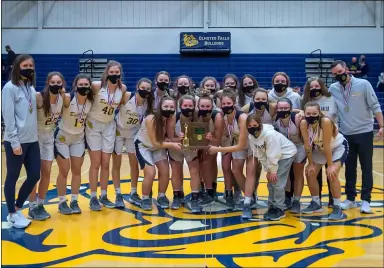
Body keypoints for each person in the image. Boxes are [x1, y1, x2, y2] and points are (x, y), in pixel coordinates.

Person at [329, 60, 383, 214]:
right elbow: (333, 112)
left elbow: (375, 106)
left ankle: (366, 200)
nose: (338, 76)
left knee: (366, 167)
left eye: (340, 72)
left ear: (346, 69)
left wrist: (382, 126)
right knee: (349, 168)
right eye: (334, 74)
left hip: (365, 132)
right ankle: (351, 198)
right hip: (345, 134)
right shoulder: (334, 88)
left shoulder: (363, 84)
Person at [2, 54, 40, 228]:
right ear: (17, 67)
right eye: (25, 65)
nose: (29, 68)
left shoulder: (29, 87)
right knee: (12, 177)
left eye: (31, 65)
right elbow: (8, 117)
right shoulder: (9, 88)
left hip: (32, 141)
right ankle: (11, 213)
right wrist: (14, 142)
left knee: (34, 175)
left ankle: (17, 207)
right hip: (15, 141)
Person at [86, 61, 126, 211]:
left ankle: (104, 195)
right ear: (106, 73)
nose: (114, 74)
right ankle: (93, 197)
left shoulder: (122, 89)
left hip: (109, 126)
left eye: (117, 72)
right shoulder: (97, 86)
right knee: (95, 163)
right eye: (112, 72)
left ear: (120, 73)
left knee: (106, 163)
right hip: (93, 126)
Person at [300, 102, 348, 220]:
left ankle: (337, 207)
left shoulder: (325, 122)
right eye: (308, 114)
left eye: (314, 113)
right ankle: (316, 203)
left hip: (336, 147)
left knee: (332, 173)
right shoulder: (304, 123)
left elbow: (327, 145)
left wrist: (330, 165)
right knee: (310, 172)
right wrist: (310, 164)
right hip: (320, 149)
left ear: (319, 113)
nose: (311, 116)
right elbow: (307, 145)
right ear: (305, 114)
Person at [55, 74, 94, 214]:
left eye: (86, 85)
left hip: (78, 138)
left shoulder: (91, 100)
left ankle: (74, 200)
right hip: (63, 138)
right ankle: (61, 202)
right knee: (64, 171)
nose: (83, 87)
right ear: (75, 86)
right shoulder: (68, 98)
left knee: (77, 171)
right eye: (80, 85)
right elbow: (60, 95)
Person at [28, 72, 65, 220]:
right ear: (48, 83)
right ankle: (31, 206)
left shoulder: (62, 99)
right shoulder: (38, 97)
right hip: (35, 136)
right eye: (53, 82)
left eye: (58, 82)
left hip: (49, 137)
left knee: (47, 173)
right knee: (34, 174)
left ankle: (40, 204)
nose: (56, 84)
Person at [112, 78, 154, 207]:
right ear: (137, 86)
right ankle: (118, 194)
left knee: (134, 164)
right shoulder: (127, 96)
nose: (145, 90)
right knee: (116, 164)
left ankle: (133, 192)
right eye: (143, 87)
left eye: (147, 89)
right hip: (118, 132)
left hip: (133, 134)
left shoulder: (149, 103)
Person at [246, 113, 297, 220]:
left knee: (277, 183)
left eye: (254, 125)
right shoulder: (251, 136)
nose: (252, 128)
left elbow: (274, 154)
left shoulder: (270, 134)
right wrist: (268, 169)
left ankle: (280, 208)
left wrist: (272, 170)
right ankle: (272, 206)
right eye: (249, 126)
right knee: (271, 183)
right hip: (273, 157)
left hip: (285, 155)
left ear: (260, 124)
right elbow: (260, 154)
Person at [135, 96, 181, 211]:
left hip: (159, 145)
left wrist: (179, 138)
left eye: (171, 107)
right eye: (166, 106)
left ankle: (161, 195)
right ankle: (145, 198)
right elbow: (155, 142)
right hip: (144, 146)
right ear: (160, 107)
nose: (169, 109)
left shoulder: (170, 118)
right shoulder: (151, 118)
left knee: (165, 170)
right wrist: (172, 144)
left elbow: (168, 138)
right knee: (150, 173)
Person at [208, 89, 250, 212]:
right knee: (235, 170)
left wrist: (218, 148)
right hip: (235, 145)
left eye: (228, 103)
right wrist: (211, 136)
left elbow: (241, 145)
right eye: (224, 104)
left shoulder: (241, 117)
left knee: (252, 171)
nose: (226, 106)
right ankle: (247, 196)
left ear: (234, 102)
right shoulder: (222, 117)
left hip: (250, 146)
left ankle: (249, 195)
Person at [302, 77, 338, 207]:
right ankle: (316, 200)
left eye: (317, 86)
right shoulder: (306, 100)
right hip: (316, 142)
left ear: (322, 86)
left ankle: (333, 200)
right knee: (313, 172)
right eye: (311, 87)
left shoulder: (332, 98)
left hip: (332, 139)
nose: (314, 89)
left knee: (331, 171)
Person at [168, 95, 201, 213]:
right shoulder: (174, 118)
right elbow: (168, 138)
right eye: (185, 106)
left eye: (190, 106)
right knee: (176, 170)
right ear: (180, 106)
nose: (188, 108)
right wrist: (177, 139)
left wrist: (196, 145)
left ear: (194, 107)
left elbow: (201, 136)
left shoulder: (197, 117)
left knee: (194, 169)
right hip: (176, 146)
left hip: (191, 147)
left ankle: (195, 198)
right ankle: (177, 196)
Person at [274, 98, 306, 214]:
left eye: (286, 108)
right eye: (280, 108)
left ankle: (296, 201)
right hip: (284, 148)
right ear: (277, 109)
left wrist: (300, 111)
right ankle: (287, 198)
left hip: (299, 147)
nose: (283, 110)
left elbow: (305, 140)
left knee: (298, 173)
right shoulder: (275, 119)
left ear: (290, 109)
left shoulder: (297, 119)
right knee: (284, 173)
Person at [195, 90, 224, 205]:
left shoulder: (217, 117)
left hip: (220, 138)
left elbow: (218, 140)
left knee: (208, 161)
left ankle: (210, 189)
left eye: (208, 106)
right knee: (200, 160)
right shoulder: (196, 114)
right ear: (198, 106)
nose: (205, 108)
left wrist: (210, 139)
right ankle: (205, 187)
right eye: (202, 106)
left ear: (212, 106)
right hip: (202, 139)